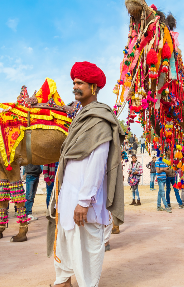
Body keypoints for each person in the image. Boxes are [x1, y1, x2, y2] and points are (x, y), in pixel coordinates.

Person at [48, 61, 125, 287]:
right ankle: (62, 281)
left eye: (80, 82)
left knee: (87, 247)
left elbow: (98, 164)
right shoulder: (80, 116)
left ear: (93, 86)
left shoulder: (99, 119)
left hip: (85, 199)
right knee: (65, 239)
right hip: (68, 194)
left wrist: (83, 201)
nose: (75, 86)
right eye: (74, 82)